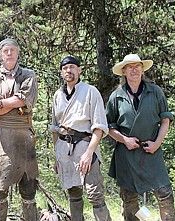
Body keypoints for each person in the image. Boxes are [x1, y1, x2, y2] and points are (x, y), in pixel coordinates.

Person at [106, 54, 175, 221]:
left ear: (142, 69)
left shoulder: (155, 92)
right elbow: (109, 127)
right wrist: (125, 140)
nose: (134, 70)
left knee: (165, 194)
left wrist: (157, 144)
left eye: (137, 66)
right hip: (127, 154)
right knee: (129, 198)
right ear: (123, 71)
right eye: (129, 67)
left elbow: (165, 120)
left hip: (151, 151)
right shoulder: (116, 97)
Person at [0, 38, 39, 221]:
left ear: (18, 53)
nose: (9, 54)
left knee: (28, 188)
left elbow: (25, 99)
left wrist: (1, 103)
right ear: (0, 54)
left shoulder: (28, 75)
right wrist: (15, 102)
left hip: (24, 136)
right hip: (1, 139)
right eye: (5, 51)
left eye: (12, 50)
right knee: (0, 188)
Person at [50, 56, 112, 221]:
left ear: (79, 70)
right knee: (74, 193)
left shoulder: (90, 91)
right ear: (61, 72)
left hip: (85, 145)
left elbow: (99, 127)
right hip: (64, 148)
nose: (68, 71)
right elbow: (55, 128)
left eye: (72, 67)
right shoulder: (58, 95)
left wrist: (89, 153)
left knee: (95, 195)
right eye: (65, 68)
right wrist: (57, 156)